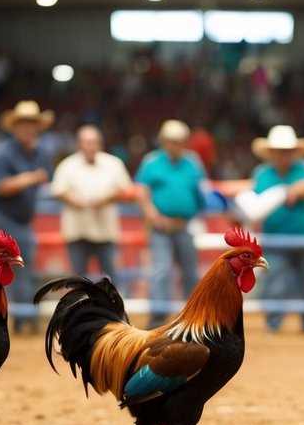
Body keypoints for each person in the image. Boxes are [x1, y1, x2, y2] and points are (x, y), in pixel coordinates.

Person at [0, 100, 55, 333]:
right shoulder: (4, 153)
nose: (29, 128)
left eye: (32, 124)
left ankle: (23, 317)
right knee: (18, 266)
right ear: (15, 127)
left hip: (20, 219)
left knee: (22, 267)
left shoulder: (39, 152)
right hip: (2, 218)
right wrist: (30, 178)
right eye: (24, 124)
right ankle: (23, 317)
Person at [251, 124, 304, 333]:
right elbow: (255, 202)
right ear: (272, 152)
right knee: (274, 283)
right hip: (275, 238)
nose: (283, 155)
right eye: (279, 151)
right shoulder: (262, 173)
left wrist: (289, 192)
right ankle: (274, 322)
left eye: (287, 151)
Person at [134, 119, 206, 327]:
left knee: (190, 271)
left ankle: (195, 316)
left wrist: (198, 214)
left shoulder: (193, 162)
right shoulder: (152, 162)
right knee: (161, 270)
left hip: (185, 224)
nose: (175, 145)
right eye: (171, 141)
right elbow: (142, 193)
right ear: (164, 142)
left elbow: (201, 191)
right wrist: (153, 217)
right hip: (160, 227)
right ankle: (158, 316)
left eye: (179, 141)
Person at [50, 125, 133, 279]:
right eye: (86, 142)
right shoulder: (67, 165)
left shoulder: (113, 164)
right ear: (79, 144)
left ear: (100, 144)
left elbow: (126, 189)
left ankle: (109, 304)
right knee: (78, 281)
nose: (90, 146)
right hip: (77, 231)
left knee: (109, 279)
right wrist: (73, 199)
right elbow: (57, 190)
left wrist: (106, 197)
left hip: (105, 231)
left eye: (93, 142)